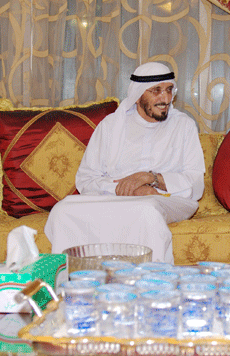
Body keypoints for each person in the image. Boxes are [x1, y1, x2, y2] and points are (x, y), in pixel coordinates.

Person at [44, 62, 205, 263]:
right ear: (137, 95)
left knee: (146, 210)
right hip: (114, 197)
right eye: (156, 91)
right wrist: (132, 189)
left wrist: (151, 178)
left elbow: (195, 182)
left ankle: (150, 283)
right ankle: (79, 280)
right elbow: (86, 179)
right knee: (63, 210)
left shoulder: (184, 126)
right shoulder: (111, 126)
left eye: (168, 90)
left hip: (168, 198)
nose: (164, 98)